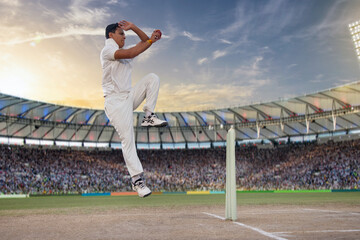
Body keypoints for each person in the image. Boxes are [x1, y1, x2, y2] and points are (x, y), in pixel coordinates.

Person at [100, 20, 167, 197]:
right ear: (111, 35)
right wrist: (148, 41)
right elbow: (132, 51)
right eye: (121, 34)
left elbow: (144, 43)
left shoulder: (122, 52)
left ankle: (149, 116)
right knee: (128, 138)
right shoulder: (108, 50)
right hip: (115, 102)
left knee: (152, 78)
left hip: (128, 96)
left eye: (125, 34)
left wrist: (137, 29)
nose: (124, 36)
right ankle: (137, 180)